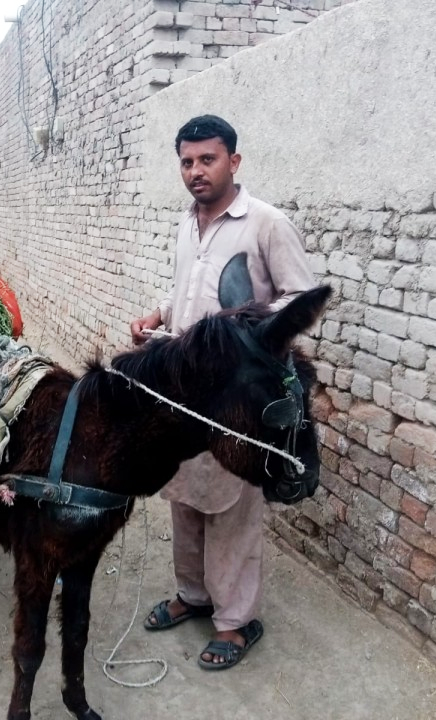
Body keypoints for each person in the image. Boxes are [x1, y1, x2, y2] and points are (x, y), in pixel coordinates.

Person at [130, 115, 315, 671]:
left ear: (234, 161)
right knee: (185, 494)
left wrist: (244, 327)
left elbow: (300, 299)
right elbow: (185, 284)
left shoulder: (265, 224)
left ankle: (235, 621)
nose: (195, 171)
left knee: (233, 505)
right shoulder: (188, 224)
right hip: (183, 393)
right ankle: (193, 596)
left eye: (207, 159)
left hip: (237, 401)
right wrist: (159, 314)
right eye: (187, 161)